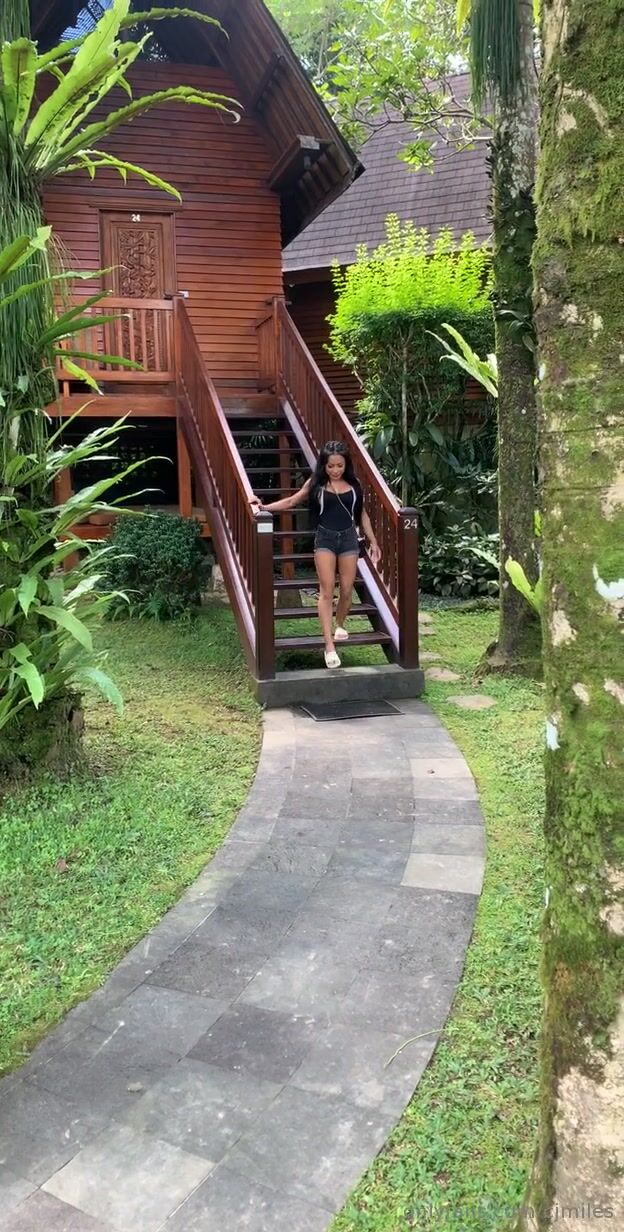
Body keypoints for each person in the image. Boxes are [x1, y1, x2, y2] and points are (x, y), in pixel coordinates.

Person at [249, 440, 381, 669]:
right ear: (324, 465)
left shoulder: (354, 484)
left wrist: (374, 541)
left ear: (346, 465)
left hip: (349, 538)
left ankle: (340, 623)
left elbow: (363, 515)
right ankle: (329, 646)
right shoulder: (316, 483)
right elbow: (292, 500)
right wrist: (264, 507)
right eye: (331, 466)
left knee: (347, 591)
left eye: (339, 466)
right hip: (325, 539)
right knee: (327, 591)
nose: (335, 470)